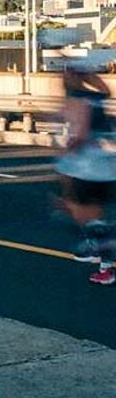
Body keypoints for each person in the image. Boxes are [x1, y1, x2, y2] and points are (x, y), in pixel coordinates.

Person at [55, 59, 116, 285]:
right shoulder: (96, 97)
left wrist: (64, 158)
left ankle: (95, 245)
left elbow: (80, 134)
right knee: (94, 213)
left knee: (79, 210)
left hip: (87, 165)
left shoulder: (76, 100)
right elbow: (106, 89)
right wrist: (87, 73)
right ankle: (105, 267)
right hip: (107, 163)